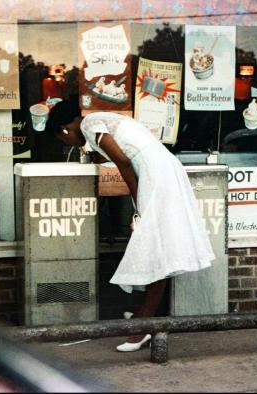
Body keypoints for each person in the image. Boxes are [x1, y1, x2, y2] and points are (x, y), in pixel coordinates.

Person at [46, 99, 215, 352]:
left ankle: (144, 325)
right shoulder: (97, 121)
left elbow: (123, 161)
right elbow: (122, 150)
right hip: (160, 170)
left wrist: (138, 204)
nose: (67, 143)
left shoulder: (90, 124)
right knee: (157, 245)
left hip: (155, 176)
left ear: (64, 130)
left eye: (62, 140)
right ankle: (141, 317)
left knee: (157, 246)